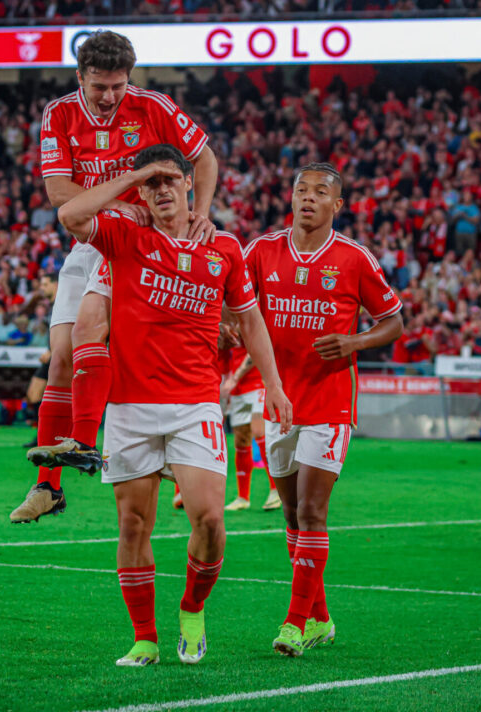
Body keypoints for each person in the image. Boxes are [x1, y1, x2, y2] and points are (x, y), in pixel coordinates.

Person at [56, 143, 291, 666]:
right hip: (131, 405)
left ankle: (192, 609)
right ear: (142, 191)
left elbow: (250, 321)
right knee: (133, 525)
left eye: (171, 180)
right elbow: (71, 214)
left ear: (191, 184)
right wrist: (133, 177)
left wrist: (272, 385)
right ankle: (144, 637)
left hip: (195, 404)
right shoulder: (124, 237)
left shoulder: (225, 247)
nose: (162, 190)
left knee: (209, 519)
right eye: (152, 184)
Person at [12, 29, 218, 524]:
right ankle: (49, 487)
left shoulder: (155, 106)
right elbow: (61, 195)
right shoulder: (59, 114)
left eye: (118, 86)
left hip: (138, 250)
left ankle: (133, 450)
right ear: (80, 76)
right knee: (61, 357)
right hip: (92, 242)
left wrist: (201, 214)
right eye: (99, 86)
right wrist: (124, 194)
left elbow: (204, 157)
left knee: (118, 344)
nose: (109, 97)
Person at [243, 162, 403, 657]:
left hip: (330, 402)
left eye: (320, 193)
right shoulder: (262, 251)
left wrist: (355, 341)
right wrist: (230, 327)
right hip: (279, 402)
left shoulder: (355, 258)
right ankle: (321, 618)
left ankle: (294, 624)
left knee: (312, 511)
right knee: (290, 513)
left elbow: (394, 322)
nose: (307, 198)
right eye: (301, 190)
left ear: (338, 205)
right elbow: (235, 307)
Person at [220, 345, 280, 511]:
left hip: (257, 383)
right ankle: (243, 497)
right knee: (241, 441)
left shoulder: (248, 319)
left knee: (260, 432)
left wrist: (234, 377)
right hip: (237, 389)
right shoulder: (225, 324)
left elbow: (256, 349)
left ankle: (276, 490)